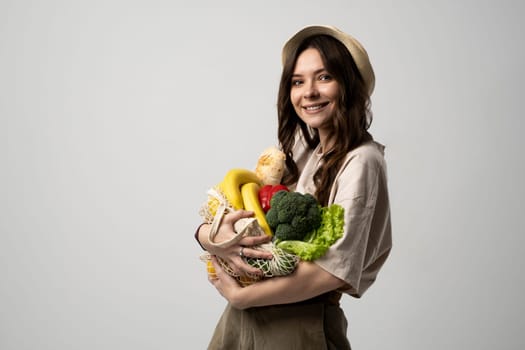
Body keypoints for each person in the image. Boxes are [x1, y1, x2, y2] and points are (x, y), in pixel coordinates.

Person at [195, 24, 392, 349]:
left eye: (324, 77)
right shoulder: (303, 148)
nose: (308, 92)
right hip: (242, 319)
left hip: (296, 324)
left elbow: (333, 272)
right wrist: (208, 236)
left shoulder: (363, 160)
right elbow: (245, 214)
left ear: (349, 85)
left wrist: (243, 297)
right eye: (298, 81)